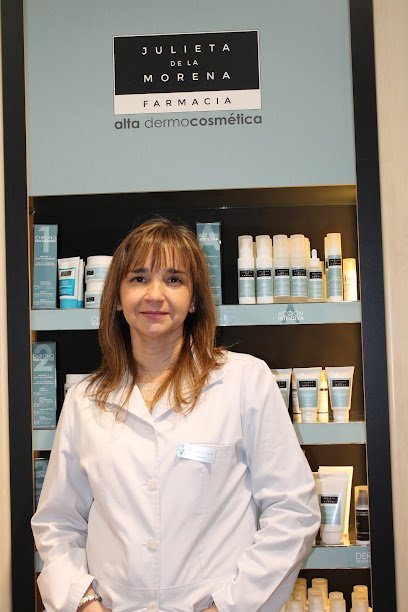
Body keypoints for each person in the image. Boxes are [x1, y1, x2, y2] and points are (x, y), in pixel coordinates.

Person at [32, 218, 320, 612]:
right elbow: (58, 523)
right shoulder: (86, 400)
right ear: (117, 298)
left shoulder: (244, 381)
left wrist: (228, 607)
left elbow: (293, 511)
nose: (155, 295)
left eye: (173, 280)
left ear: (194, 299)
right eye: (138, 278)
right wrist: (84, 603)